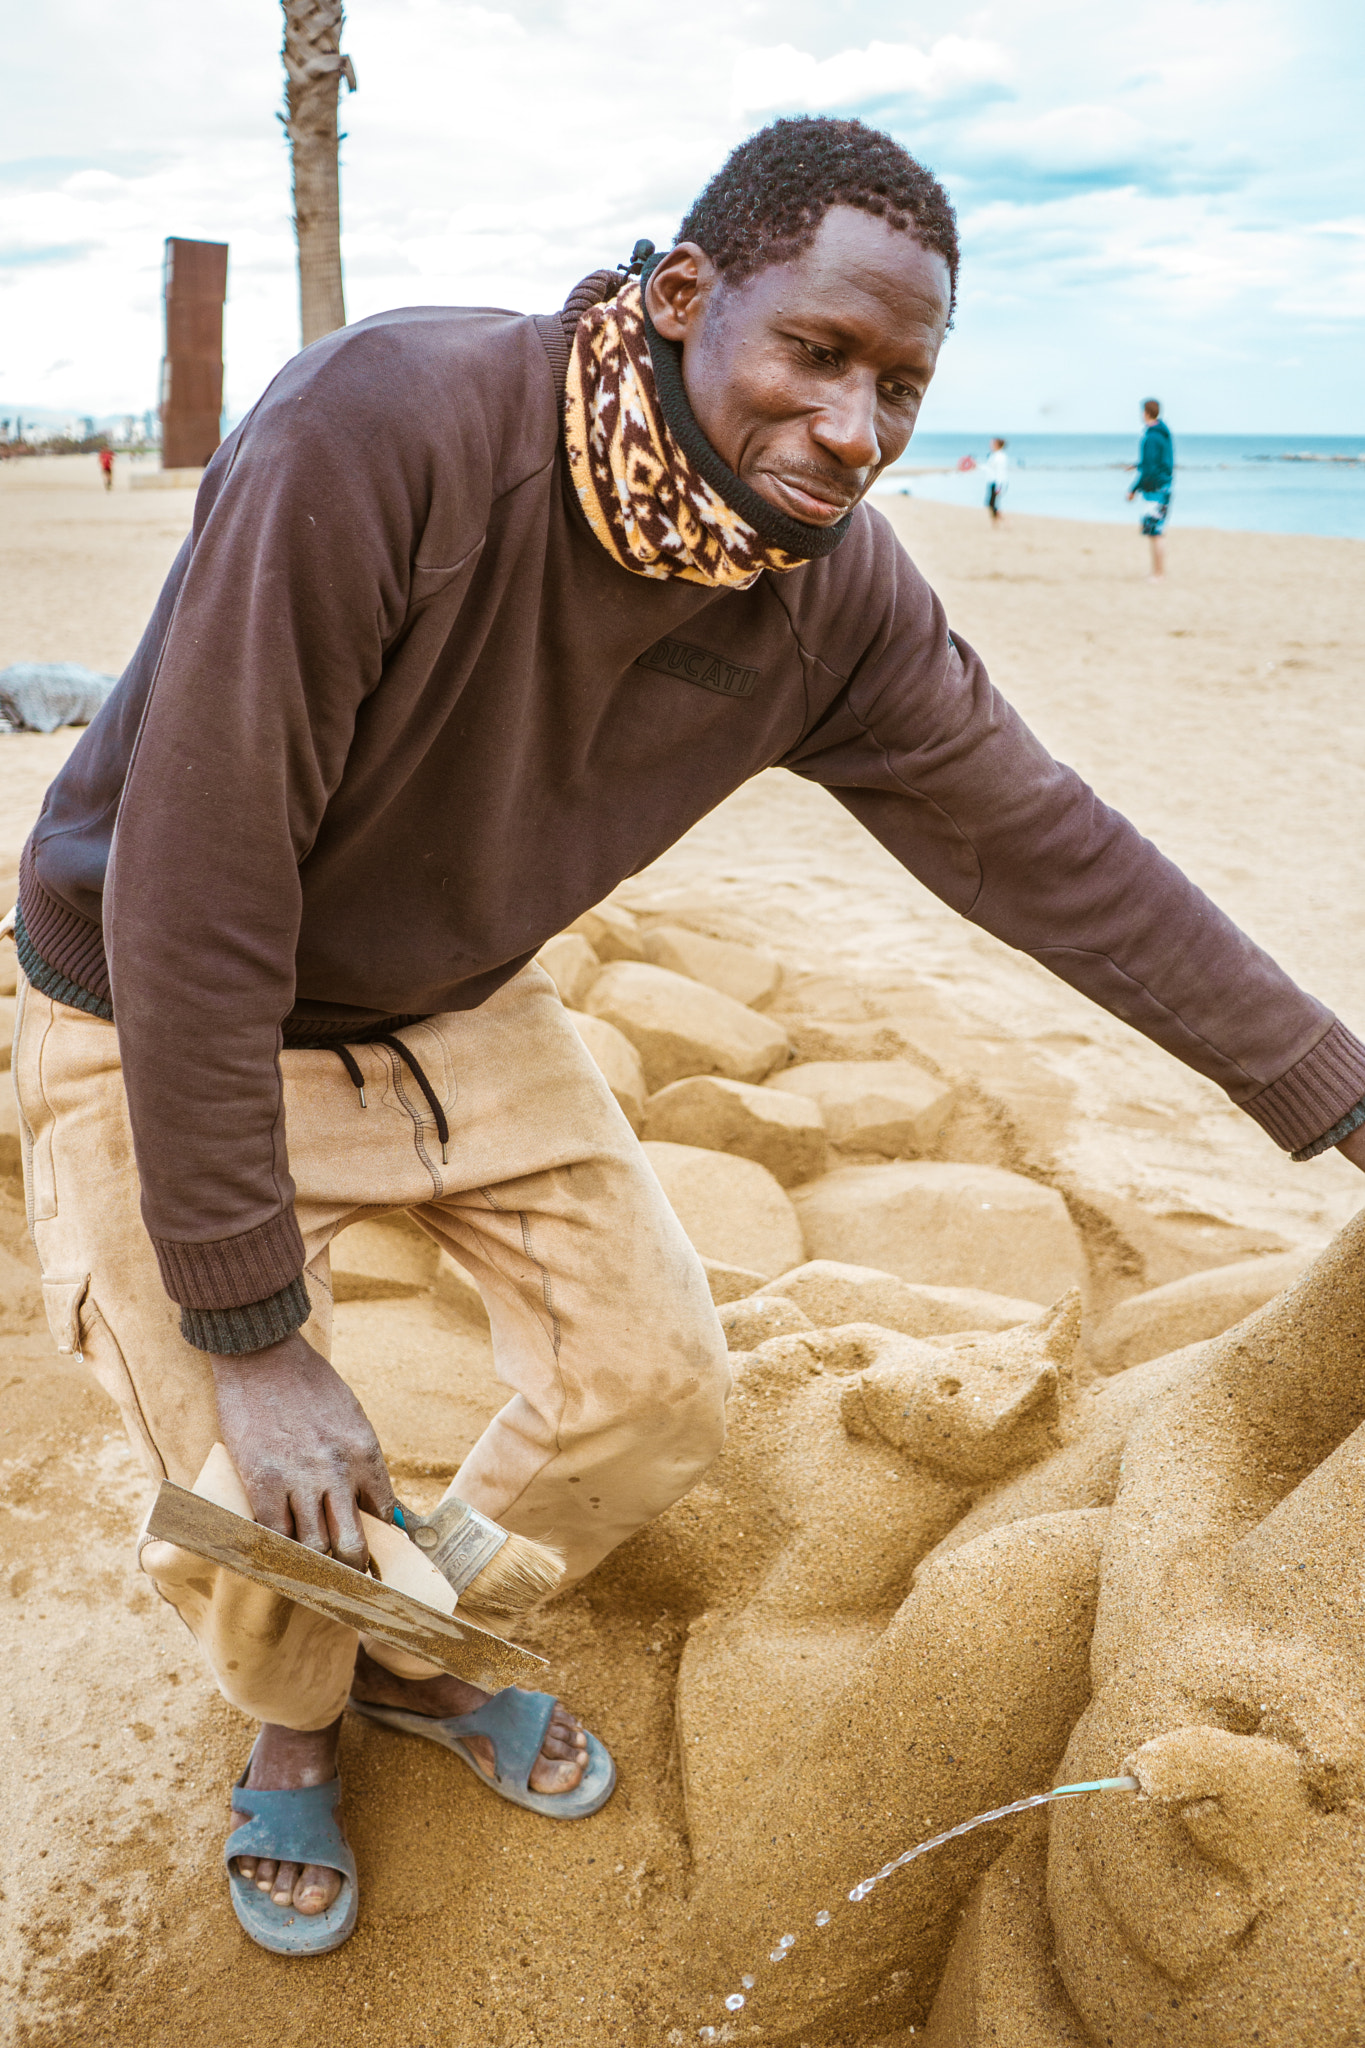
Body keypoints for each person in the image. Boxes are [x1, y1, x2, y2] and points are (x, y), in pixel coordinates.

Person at [10, 114, 1365, 1957]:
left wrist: (1341, 1096)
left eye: (902, 385)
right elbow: (200, 879)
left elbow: (1051, 850)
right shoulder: (387, 427)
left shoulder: (832, 597)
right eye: (817, 354)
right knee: (266, 1485)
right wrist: (253, 1333)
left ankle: (409, 1643)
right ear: (682, 296)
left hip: (439, 1003)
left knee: (653, 1383)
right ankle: (298, 1711)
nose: (856, 430)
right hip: (155, 994)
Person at [1127, 397, 1173, 579]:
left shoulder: (1151, 437)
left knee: (1155, 533)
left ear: (1145, 413)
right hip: (1163, 487)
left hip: (1156, 490)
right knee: (1154, 531)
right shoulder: (1162, 434)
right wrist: (1138, 465)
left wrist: (1133, 489)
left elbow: (1151, 468)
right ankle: (1156, 571)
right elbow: (1155, 463)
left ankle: (1158, 573)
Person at [984, 435, 1007, 520]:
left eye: (992, 443)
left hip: (997, 483)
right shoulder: (994, 455)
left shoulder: (1000, 457)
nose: (990, 445)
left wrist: (999, 486)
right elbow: (988, 468)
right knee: (991, 504)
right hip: (993, 482)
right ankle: (996, 521)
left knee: (994, 504)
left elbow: (1000, 472)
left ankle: (1002, 520)